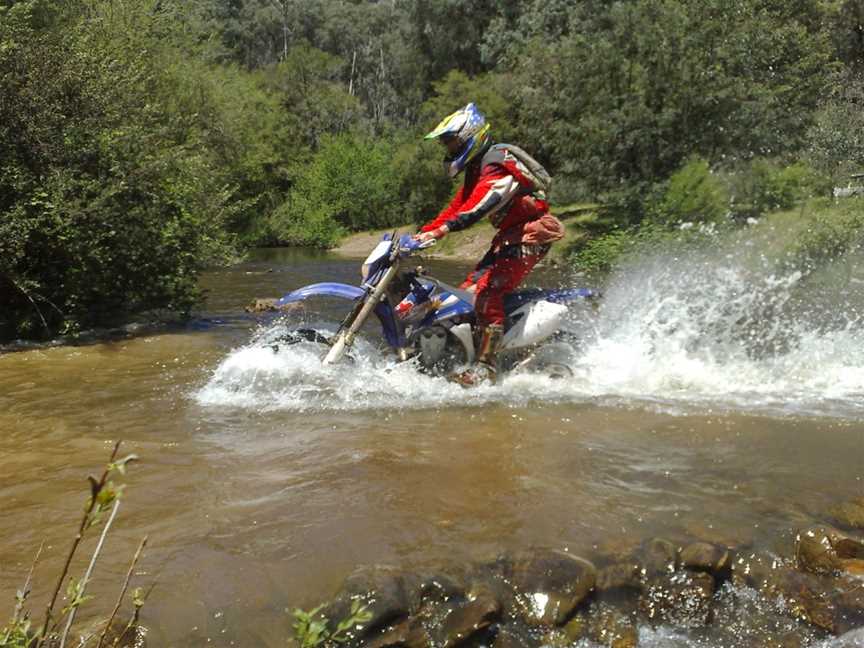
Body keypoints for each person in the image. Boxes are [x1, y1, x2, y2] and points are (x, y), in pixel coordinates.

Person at [414, 102, 565, 387]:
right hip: (509, 237)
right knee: (467, 292)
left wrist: (444, 230)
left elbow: (482, 204)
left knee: (488, 293)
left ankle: (486, 367)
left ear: (472, 135)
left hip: (529, 235)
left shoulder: (495, 160)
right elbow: (458, 205)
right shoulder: (476, 168)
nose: (449, 149)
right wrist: (424, 232)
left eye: (452, 141)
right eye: (447, 144)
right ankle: (460, 354)